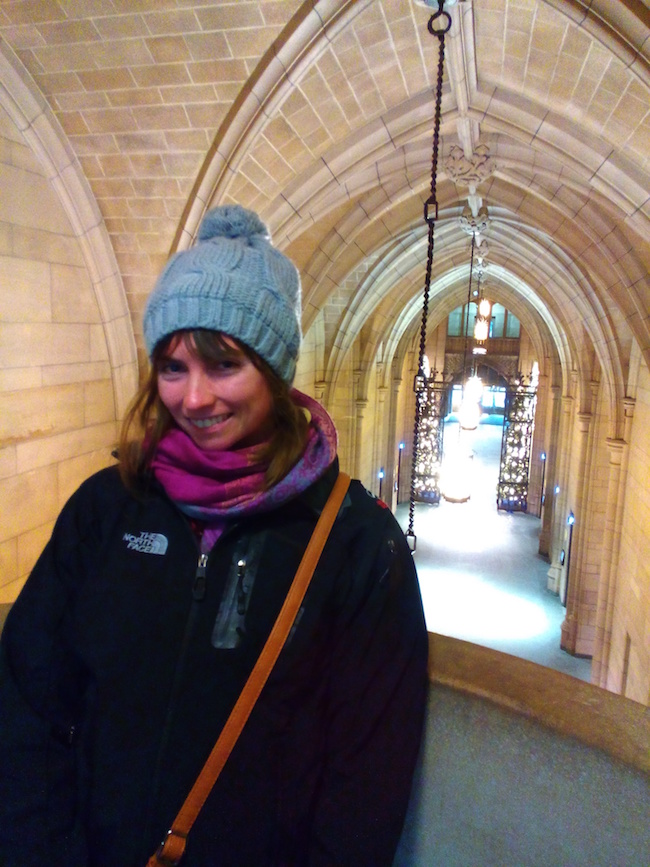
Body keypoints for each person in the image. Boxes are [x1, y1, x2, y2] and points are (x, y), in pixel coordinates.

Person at [0, 205, 428, 867]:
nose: (194, 397)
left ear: (277, 369)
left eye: (223, 365)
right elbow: (28, 704)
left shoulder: (357, 546)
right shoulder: (106, 508)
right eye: (172, 367)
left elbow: (364, 790)